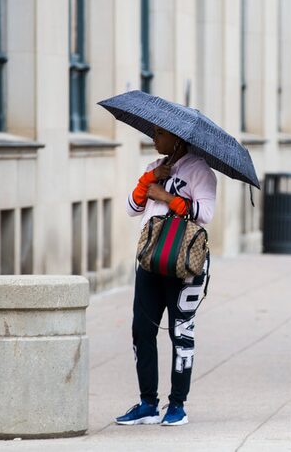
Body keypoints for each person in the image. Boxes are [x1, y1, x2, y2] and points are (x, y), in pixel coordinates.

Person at [116, 125, 217, 427]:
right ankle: (148, 404)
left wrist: (166, 196)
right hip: (150, 258)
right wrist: (151, 179)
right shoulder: (154, 167)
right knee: (141, 331)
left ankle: (178, 405)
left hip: (185, 263)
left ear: (177, 138)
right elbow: (133, 207)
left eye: (160, 134)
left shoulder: (200, 171)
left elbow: (205, 213)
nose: (154, 139)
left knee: (181, 332)